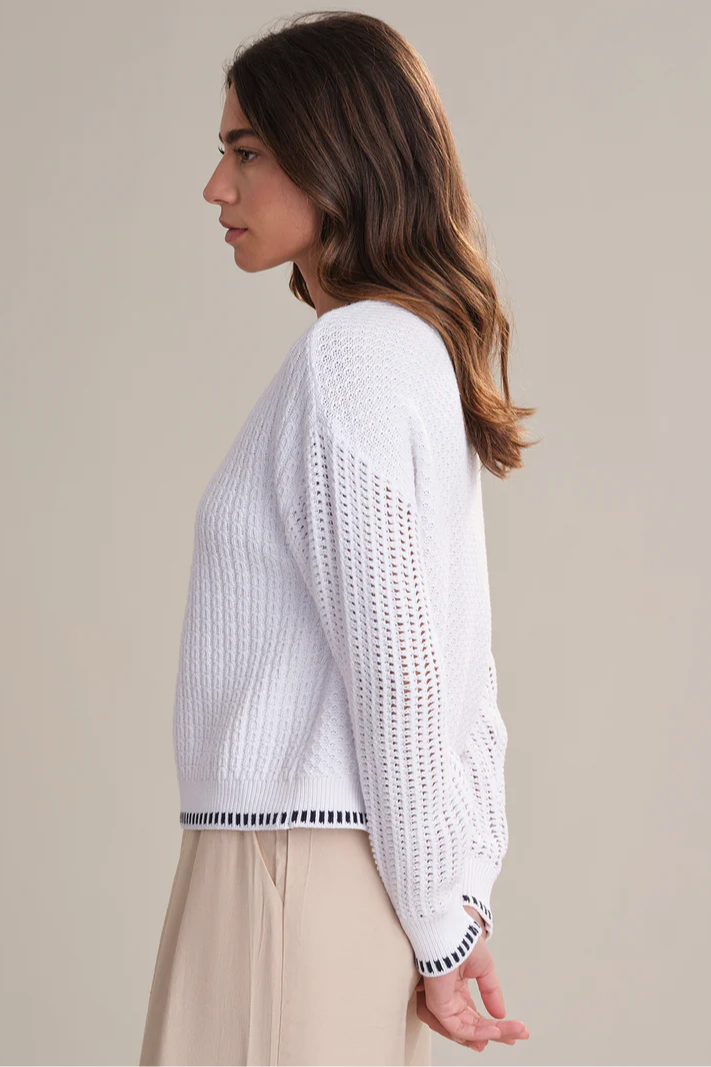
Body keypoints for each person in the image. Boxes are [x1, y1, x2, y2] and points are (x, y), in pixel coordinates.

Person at [139, 11, 535, 1066]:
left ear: (337, 155)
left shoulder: (351, 356)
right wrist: (456, 897)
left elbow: (403, 675)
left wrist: (444, 920)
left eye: (246, 152)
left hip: (286, 876)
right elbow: (460, 673)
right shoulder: (408, 350)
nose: (216, 187)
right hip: (327, 880)